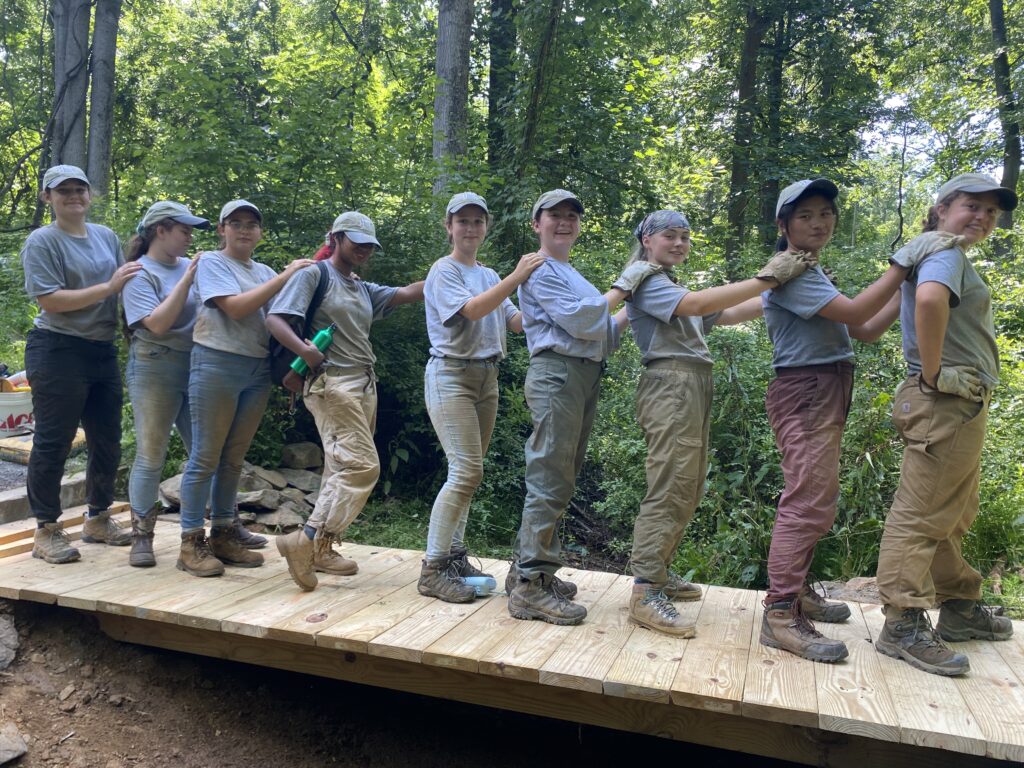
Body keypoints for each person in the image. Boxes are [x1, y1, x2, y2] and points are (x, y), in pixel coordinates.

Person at [759, 178, 957, 663]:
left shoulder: (813, 271)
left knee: (816, 498)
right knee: (808, 501)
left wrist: (905, 282)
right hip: (806, 388)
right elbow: (857, 310)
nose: (819, 222)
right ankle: (780, 613)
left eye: (826, 213)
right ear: (783, 225)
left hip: (824, 387)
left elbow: (864, 328)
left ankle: (798, 591)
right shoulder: (792, 275)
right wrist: (903, 263)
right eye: (805, 215)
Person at [624, 210, 812, 636]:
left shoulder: (670, 283)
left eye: (685, 237)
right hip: (670, 382)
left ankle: (659, 571)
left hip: (691, 383)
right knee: (670, 482)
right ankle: (645, 590)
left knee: (689, 484)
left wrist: (779, 287)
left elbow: (724, 313)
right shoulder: (645, 278)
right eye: (670, 236)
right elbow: (699, 304)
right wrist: (769, 276)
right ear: (647, 239)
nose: (679, 243)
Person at [874, 173, 1016, 677]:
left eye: (991, 212)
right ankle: (902, 623)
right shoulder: (945, 252)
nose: (981, 218)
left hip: (957, 401)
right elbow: (931, 302)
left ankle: (958, 606)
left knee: (951, 510)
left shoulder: (933, 252)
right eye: (971, 207)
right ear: (941, 209)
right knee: (920, 513)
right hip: (945, 399)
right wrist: (933, 374)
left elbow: (869, 325)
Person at [505, 189, 658, 626]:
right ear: (537, 223)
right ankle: (532, 584)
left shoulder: (572, 274)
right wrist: (623, 286)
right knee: (550, 473)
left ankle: (525, 571)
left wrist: (630, 297)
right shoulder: (537, 269)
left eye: (572, 215)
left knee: (562, 473)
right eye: (554, 215)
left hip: (583, 374)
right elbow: (580, 320)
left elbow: (602, 331)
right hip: (557, 373)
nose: (564, 221)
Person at [268, 211, 424, 592]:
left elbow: (405, 293)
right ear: (335, 238)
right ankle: (304, 539)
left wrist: (451, 270)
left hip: (363, 384)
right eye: (357, 242)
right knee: (362, 467)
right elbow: (275, 319)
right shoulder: (314, 275)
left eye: (370, 244)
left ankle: (320, 549)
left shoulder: (361, 287)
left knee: (339, 468)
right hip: (331, 384)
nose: (364, 250)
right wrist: (306, 353)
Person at [175, 200, 314, 577]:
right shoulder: (212, 263)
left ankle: (224, 533)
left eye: (251, 224)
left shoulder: (264, 271)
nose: (244, 230)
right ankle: (190, 542)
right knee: (205, 455)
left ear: (260, 232)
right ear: (222, 229)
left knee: (234, 456)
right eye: (235, 223)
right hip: (216, 361)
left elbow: (279, 322)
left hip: (255, 369)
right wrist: (286, 275)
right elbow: (235, 309)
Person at [418, 192, 544, 603]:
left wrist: (549, 306)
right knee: (466, 471)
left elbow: (513, 320)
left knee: (470, 474)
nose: (471, 228)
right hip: (450, 374)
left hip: (487, 377)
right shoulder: (443, 271)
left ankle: (453, 557)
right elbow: (471, 311)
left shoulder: (489, 275)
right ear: (448, 226)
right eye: (463, 221)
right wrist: (518, 275)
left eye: (477, 221)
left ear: (486, 227)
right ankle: (433, 569)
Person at [21, 165, 143, 563]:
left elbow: (124, 286)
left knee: (107, 438)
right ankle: (46, 529)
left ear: (89, 195)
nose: (73, 196)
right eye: (63, 191)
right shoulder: (43, 240)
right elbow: (50, 300)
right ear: (48, 198)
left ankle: (98, 518)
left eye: (79, 189)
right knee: (54, 441)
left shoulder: (106, 236)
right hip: (57, 349)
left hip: (101, 348)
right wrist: (108, 287)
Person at [122, 201, 212, 567]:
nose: (190, 237)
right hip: (154, 367)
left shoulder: (187, 266)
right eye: (184, 230)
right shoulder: (138, 272)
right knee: (151, 454)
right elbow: (156, 324)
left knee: (204, 454)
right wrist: (189, 278)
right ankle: (142, 536)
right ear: (160, 231)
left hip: (195, 367)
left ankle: (200, 536)